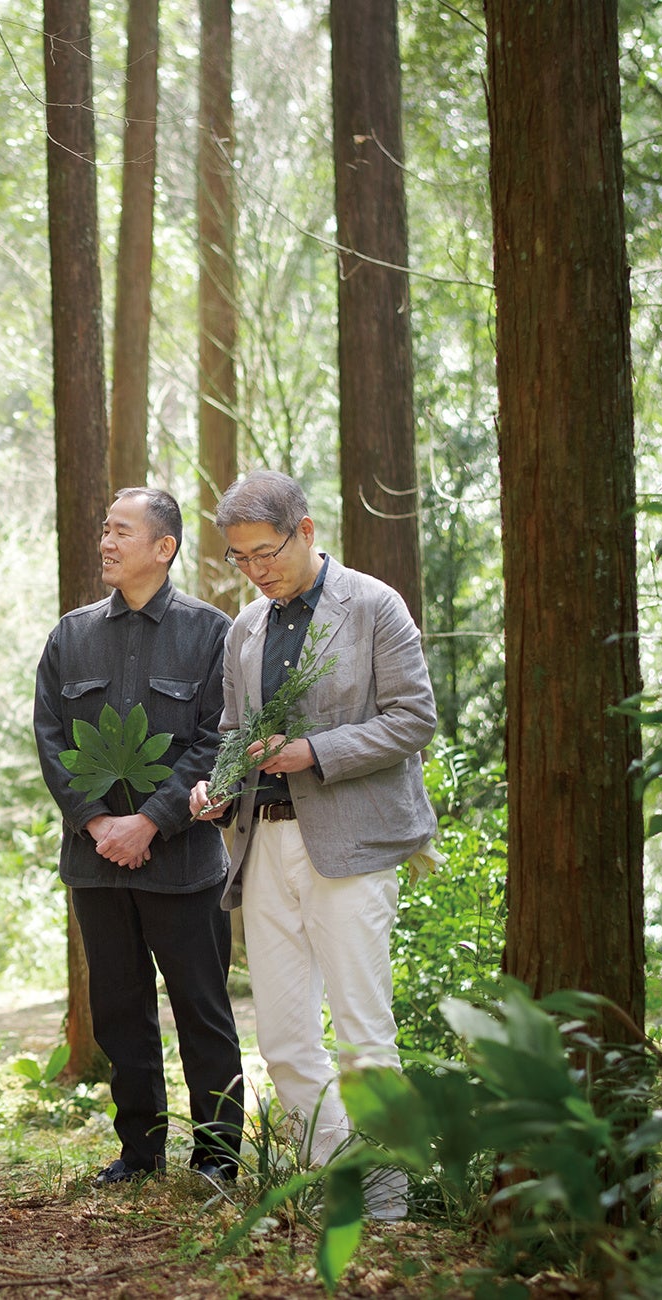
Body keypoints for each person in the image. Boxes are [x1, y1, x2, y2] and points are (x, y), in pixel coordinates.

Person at [189, 470, 437, 1221]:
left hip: (353, 845)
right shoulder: (244, 630)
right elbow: (234, 733)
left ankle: (388, 1200)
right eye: (239, 559)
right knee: (287, 1041)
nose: (256, 571)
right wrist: (218, 784)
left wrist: (314, 751)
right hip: (262, 850)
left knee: (364, 1031)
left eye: (265, 552)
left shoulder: (373, 606)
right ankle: (333, 1187)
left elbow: (413, 718)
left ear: (305, 530)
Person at [32, 487, 244, 1186]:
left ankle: (218, 1156)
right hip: (97, 863)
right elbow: (53, 739)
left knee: (201, 1011)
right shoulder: (70, 635)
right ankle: (141, 1153)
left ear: (164, 547)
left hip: (182, 862)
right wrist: (98, 823)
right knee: (120, 1011)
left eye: (121, 531)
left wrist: (151, 819)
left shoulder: (213, 633)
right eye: (103, 529)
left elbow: (217, 738)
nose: (106, 542)